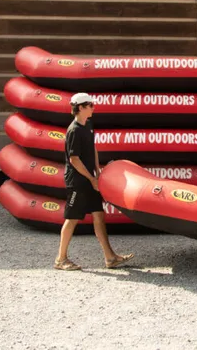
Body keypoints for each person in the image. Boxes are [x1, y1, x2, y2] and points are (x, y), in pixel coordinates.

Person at [54, 92, 134, 271]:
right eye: (90, 104)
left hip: (90, 180)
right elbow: (74, 159)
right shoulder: (74, 130)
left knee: (99, 216)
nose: (93, 107)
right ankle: (60, 259)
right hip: (78, 181)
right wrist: (91, 179)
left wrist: (98, 173)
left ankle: (110, 257)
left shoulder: (88, 125)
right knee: (72, 219)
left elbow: (93, 149)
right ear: (81, 107)